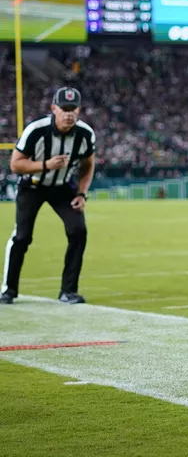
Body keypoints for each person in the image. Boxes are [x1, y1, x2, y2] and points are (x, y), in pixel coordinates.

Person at [1, 87, 96, 305]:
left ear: (79, 110)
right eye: (64, 108)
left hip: (63, 187)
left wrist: (82, 193)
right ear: (54, 108)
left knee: (78, 230)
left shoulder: (85, 133)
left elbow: (88, 164)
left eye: (73, 109)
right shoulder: (36, 130)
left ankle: (68, 291)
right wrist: (46, 165)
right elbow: (15, 164)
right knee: (22, 237)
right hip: (32, 185)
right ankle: (9, 290)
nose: (69, 114)